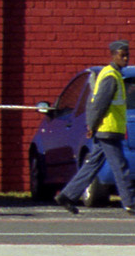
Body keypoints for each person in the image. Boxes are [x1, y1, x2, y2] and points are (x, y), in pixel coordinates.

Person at [56, 40, 135, 215]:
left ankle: (67, 195)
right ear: (113, 55)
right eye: (122, 55)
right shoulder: (110, 77)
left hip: (111, 130)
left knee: (92, 165)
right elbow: (97, 104)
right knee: (120, 166)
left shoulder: (116, 76)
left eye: (127, 54)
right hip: (107, 130)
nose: (126, 58)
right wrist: (91, 125)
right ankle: (130, 203)